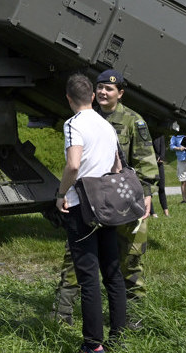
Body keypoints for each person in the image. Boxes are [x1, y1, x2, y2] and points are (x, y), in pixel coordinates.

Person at [53, 70, 157, 326]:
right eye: (99, 88)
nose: (103, 92)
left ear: (120, 93)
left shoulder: (134, 121)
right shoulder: (90, 118)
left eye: (109, 89)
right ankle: (62, 313)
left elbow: (145, 162)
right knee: (75, 258)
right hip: (91, 202)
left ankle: (133, 317)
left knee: (129, 260)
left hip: (126, 199)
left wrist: (146, 194)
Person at [55, 73, 127, 353]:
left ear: (69, 99)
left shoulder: (73, 124)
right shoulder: (106, 125)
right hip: (107, 204)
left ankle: (92, 347)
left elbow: (73, 165)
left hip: (81, 206)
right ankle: (118, 335)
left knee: (88, 278)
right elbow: (117, 165)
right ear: (93, 97)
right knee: (113, 272)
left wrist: (61, 193)